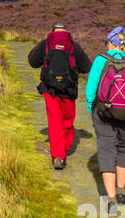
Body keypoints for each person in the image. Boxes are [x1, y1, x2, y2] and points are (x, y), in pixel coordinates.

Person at [83, 26, 125, 216]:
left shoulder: (100, 60)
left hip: (103, 113)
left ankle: (111, 198)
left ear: (111, 42)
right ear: (124, 44)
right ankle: (121, 191)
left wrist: (91, 108)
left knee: (106, 151)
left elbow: (91, 89)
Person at [28, 21, 92, 171]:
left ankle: (58, 156)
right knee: (67, 121)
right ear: (65, 32)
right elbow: (86, 67)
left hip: (49, 90)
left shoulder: (45, 44)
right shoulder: (73, 45)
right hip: (69, 90)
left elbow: (32, 62)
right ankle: (66, 147)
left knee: (55, 121)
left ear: (52, 32)